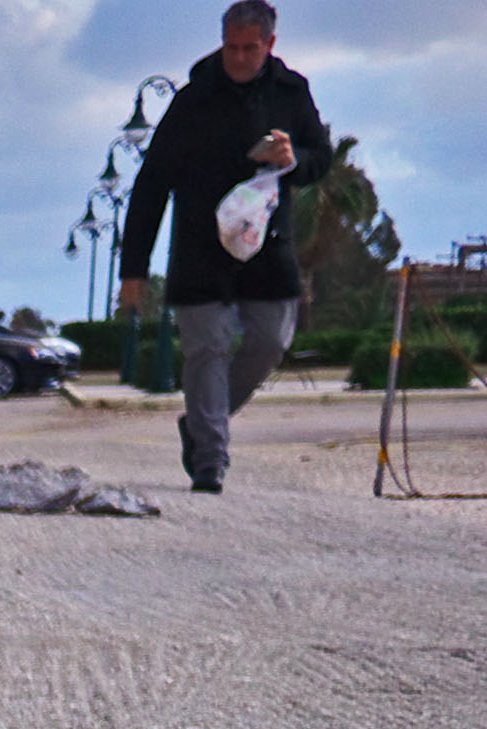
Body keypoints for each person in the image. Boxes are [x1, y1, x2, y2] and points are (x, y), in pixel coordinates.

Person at [115, 1, 330, 493]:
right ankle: (210, 459)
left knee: (271, 341)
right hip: (199, 248)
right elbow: (151, 186)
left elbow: (321, 158)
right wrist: (134, 270)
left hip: (268, 245)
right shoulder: (192, 101)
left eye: (248, 48)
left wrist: (293, 158)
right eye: (230, 47)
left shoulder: (292, 93)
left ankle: (199, 423)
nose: (237, 57)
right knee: (207, 348)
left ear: (269, 45)